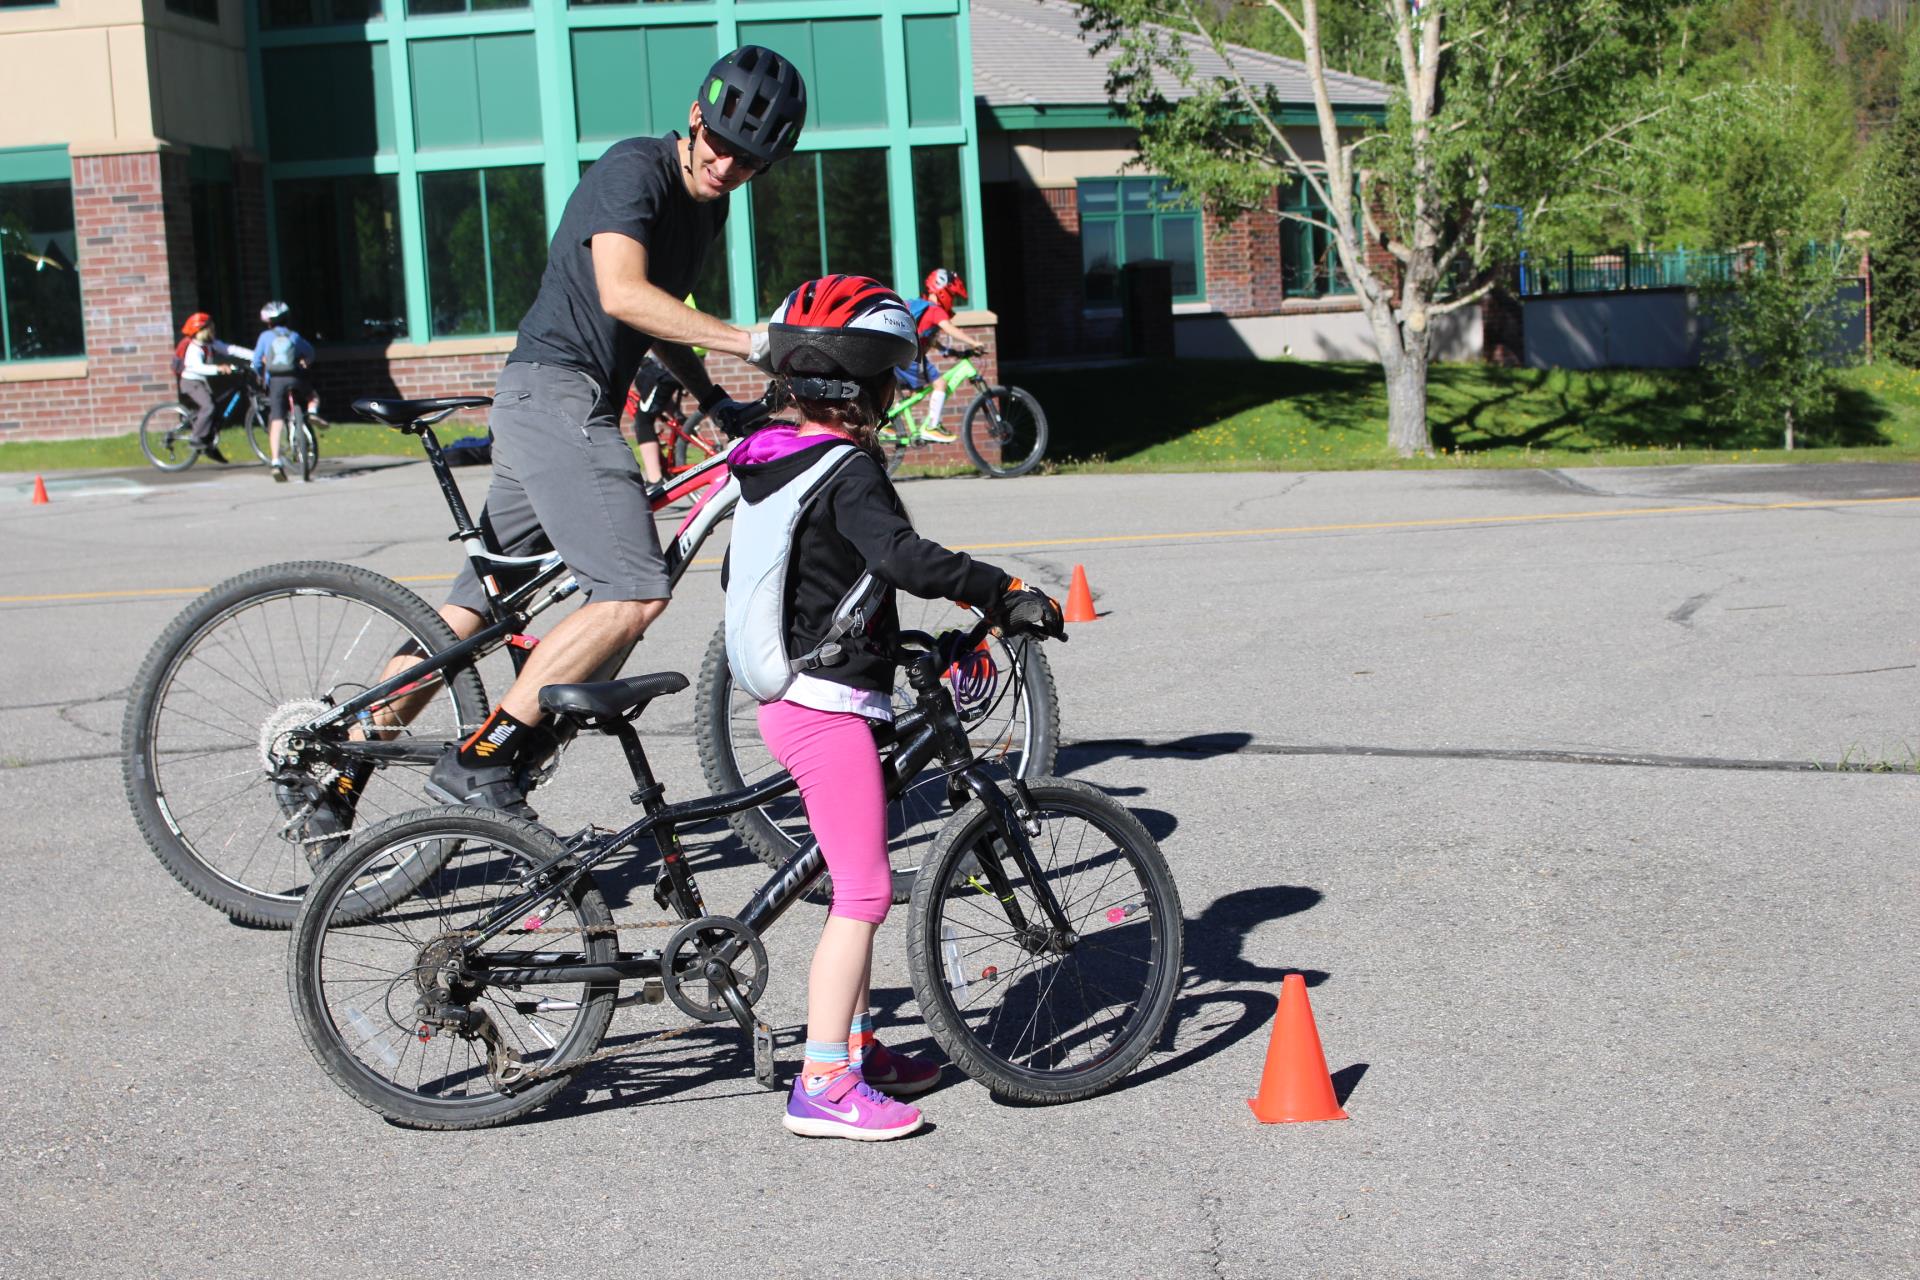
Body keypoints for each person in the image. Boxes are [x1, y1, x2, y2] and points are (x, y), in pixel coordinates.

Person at [404, 45, 807, 818]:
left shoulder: (707, 204)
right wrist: (747, 339)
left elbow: (661, 316)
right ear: (696, 117)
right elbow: (623, 292)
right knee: (632, 587)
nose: (728, 165)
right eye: (721, 143)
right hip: (561, 395)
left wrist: (714, 399)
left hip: (540, 402)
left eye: (749, 160)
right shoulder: (635, 169)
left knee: (474, 612)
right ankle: (482, 763)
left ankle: (339, 769)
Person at [722, 275, 1066, 1140]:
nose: (896, 392)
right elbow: (903, 556)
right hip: (823, 708)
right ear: (865, 382)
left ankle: (860, 1048)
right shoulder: (849, 469)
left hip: (807, 692)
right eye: (891, 378)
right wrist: (1002, 588)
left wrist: (892, 646)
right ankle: (824, 1085)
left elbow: (827, 577)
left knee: (856, 883)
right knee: (865, 893)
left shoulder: (776, 459)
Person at [894, 267, 977, 444]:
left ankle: (887, 420)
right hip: (910, 356)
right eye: (951, 296)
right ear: (942, 291)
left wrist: (947, 351)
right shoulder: (935, 310)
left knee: (917, 393)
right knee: (940, 384)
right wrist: (974, 342)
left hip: (899, 354)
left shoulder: (923, 307)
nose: (952, 302)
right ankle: (931, 427)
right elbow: (949, 328)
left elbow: (927, 338)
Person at [249, 300, 316, 482]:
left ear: (268, 322)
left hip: (276, 382)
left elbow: (255, 361)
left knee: (277, 419)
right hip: (295, 377)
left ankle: (276, 461)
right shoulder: (294, 336)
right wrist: (304, 363)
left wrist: (260, 373)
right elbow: (310, 353)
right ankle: (312, 411)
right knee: (311, 395)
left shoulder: (264, 337)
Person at [174, 313, 253, 464]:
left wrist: (256, 356)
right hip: (191, 382)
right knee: (208, 407)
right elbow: (198, 368)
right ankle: (196, 438)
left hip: (201, 382)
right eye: (211, 329)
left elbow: (231, 349)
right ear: (202, 331)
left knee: (216, 409)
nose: (213, 331)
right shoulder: (194, 348)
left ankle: (208, 444)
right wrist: (218, 368)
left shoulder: (210, 344)